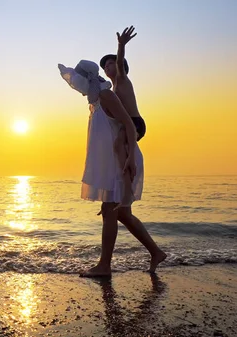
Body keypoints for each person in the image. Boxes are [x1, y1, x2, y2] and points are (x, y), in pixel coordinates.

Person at [58, 59, 166, 277]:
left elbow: (128, 122)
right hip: (112, 161)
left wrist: (131, 160)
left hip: (121, 161)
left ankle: (104, 266)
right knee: (122, 214)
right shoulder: (96, 100)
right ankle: (156, 252)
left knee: (110, 211)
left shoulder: (107, 95)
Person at [100, 26, 145, 208]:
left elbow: (119, 64)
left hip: (135, 124)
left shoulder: (122, 80)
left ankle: (127, 194)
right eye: (104, 66)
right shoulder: (111, 89)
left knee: (119, 145)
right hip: (125, 127)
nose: (106, 67)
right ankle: (122, 190)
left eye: (109, 63)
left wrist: (121, 45)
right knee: (118, 147)